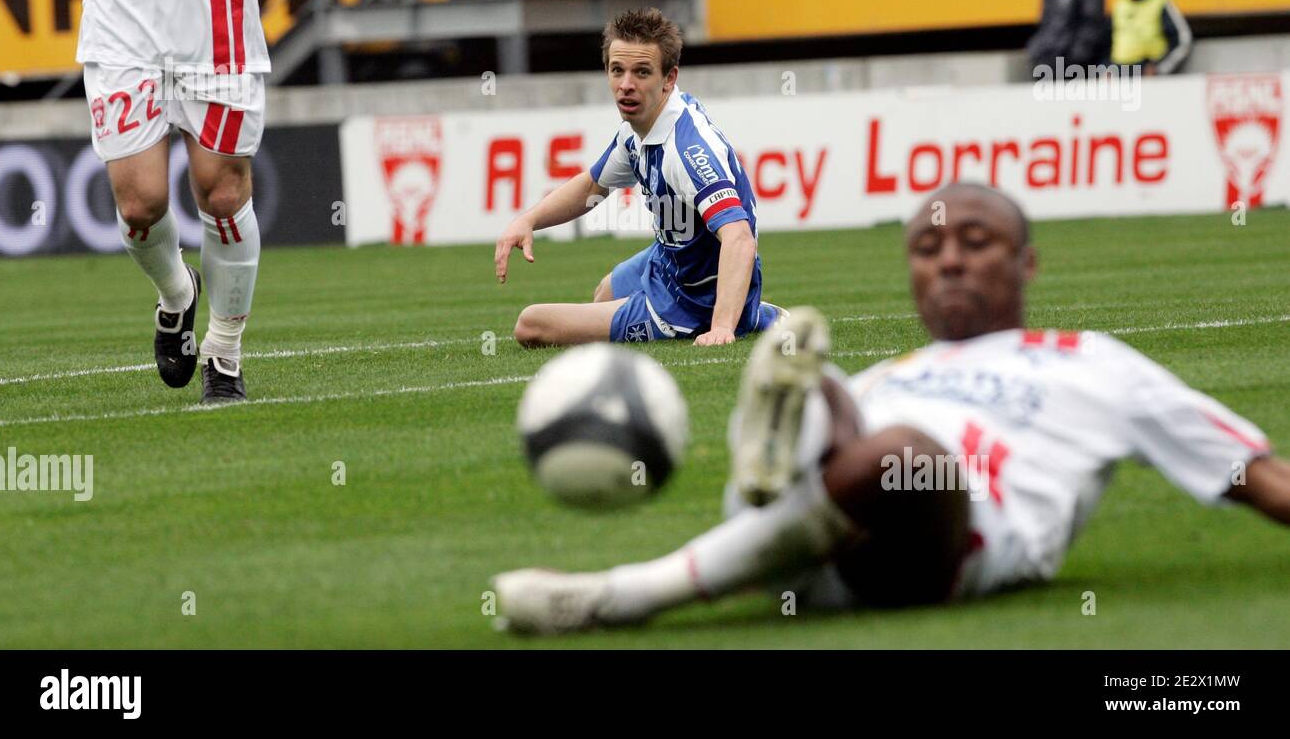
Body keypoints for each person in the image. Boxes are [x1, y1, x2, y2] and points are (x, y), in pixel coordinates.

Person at [492, 182, 1290, 633]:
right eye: (928, 249)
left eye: (974, 243)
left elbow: (1257, 477)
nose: (948, 260)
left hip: (951, 541)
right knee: (830, 384)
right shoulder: (896, 371)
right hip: (822, 515)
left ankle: (621, 594)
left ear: (1028, 262)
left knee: (901, 451)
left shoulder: (1094, 363)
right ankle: (771, 451)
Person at [40, 0, 319, 402]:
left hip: (217, 25)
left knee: (221, 193)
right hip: (124, 25)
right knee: (139, 204)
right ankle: (177, 293)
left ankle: (224, 351)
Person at [493, 8, 783, 348]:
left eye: (642, 72)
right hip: (669, 261)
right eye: (618, 70)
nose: (626, 85)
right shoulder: (637, 132)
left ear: (669, 78)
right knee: (605, 292)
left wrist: (720, 328)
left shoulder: (686, 149)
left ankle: (743, 314)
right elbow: (591, 187)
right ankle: (752, 313)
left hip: (692, 299)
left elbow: (740, 238)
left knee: (531, 325)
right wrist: (528, 220)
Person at [1111, 0, 1193, 76]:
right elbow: (1107, 43)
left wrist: (1159, 68)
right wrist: (1107, 68)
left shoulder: (1160, 2)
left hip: (1148, 71)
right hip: (1120, 71)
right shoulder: (1120, 5)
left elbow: (1183, 39)